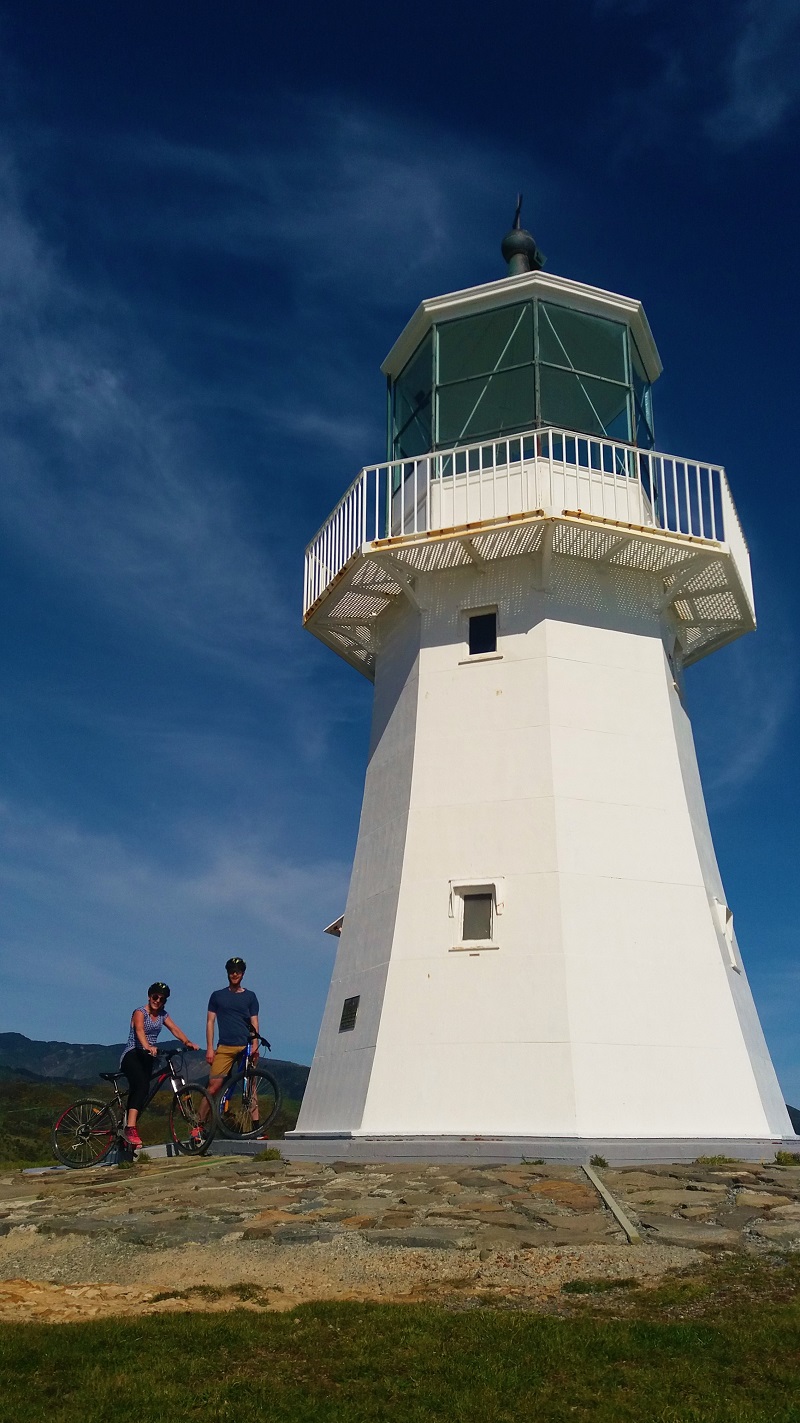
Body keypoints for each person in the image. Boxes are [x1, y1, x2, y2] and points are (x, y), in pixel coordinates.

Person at [120, 983, 199, 1148]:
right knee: (141, 1085)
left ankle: (126, 1130)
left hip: (149, 1057)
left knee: (142, 1091)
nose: (158, 1001)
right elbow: (140, 1030)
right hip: (133, 1054)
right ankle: (130, 1128)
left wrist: (186, 1041)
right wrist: (147, 1046)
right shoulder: (139, 1013)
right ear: (149, 996)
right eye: (155, 997)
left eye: (162, 999)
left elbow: (174, 1029)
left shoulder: (163, 1015)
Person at [200, 958, 260, 1124]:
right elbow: (210, 1022)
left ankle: (256, 1125)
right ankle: (198, 1124)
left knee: (250, 1085)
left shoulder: (250, 996)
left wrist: (255, 1045)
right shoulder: (217, 996)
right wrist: (210, 1048)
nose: (235, 974)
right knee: (214, 1086)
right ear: (227, 973)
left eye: (238, 971)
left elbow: (255, 1022)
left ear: (243, 974)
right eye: (232, 971)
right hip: (225, 1046)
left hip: (245, 1045)